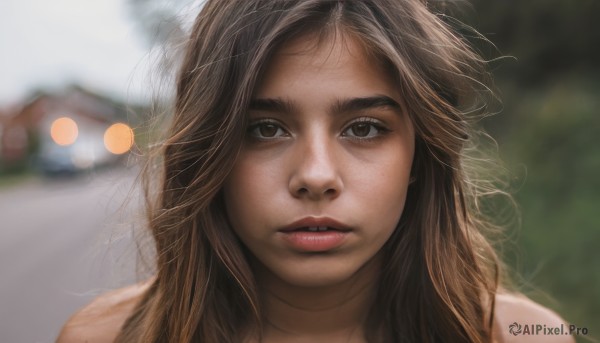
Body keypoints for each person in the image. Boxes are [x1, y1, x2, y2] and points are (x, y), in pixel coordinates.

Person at [57, 0, 574, 342]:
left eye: (365, 128)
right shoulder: (103, 337)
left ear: (421, 155)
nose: (316, 175)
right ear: (207, 154)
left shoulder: (524, 335)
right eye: (264, 130)